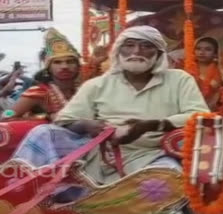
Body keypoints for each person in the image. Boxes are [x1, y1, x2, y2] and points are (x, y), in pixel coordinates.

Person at [13, 26, 209, 202]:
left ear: (158, 53)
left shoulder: (179, 79)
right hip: (97, 153)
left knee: (166, 181)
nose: (136, 52)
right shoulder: (98, 84)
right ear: (118, 51)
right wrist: (87, 125)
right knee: (43, 132)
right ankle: (17, 193)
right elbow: (65, 120)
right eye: (129, 45)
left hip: (151, 154)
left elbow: (200, 115)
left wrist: (151, 125)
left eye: (146, 46)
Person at [1, 28, 80, 121]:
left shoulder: (85, 89)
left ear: (78, 66)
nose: (64, 66)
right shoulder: (38, 92)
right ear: (48, 68)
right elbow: (6, 116)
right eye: (57, 62)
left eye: (70, 61)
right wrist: (45, 118)